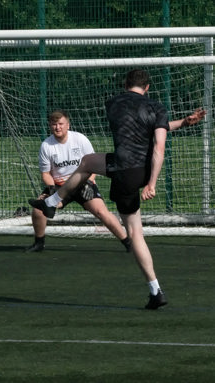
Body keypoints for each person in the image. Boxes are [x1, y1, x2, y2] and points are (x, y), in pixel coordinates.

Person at [29, 69, 206, 309]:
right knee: (88, 161)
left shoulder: (114, 103)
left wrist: (150, 183)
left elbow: (137, 127)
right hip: (139, 170)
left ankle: (156, 290)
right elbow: (158, 144)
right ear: (148, 88)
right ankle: (51, 203)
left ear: (125, 85)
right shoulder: (156, 108)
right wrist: (183, 124)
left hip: (123, 170)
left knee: (135, 233)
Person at [26, 110, 131, 253]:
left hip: (83, 183)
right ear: (50, 126)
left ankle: (128, 243)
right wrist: (51, 188)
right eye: (54, 124)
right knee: (38, 209)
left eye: (61, 124)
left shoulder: (80, 139)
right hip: (59, 187)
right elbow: (45, 173)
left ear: (68, 125)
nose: (58, 127)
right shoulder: (46, 146)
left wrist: (89, 182)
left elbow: (94, 165)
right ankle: (39, 243)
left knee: (101, 211)